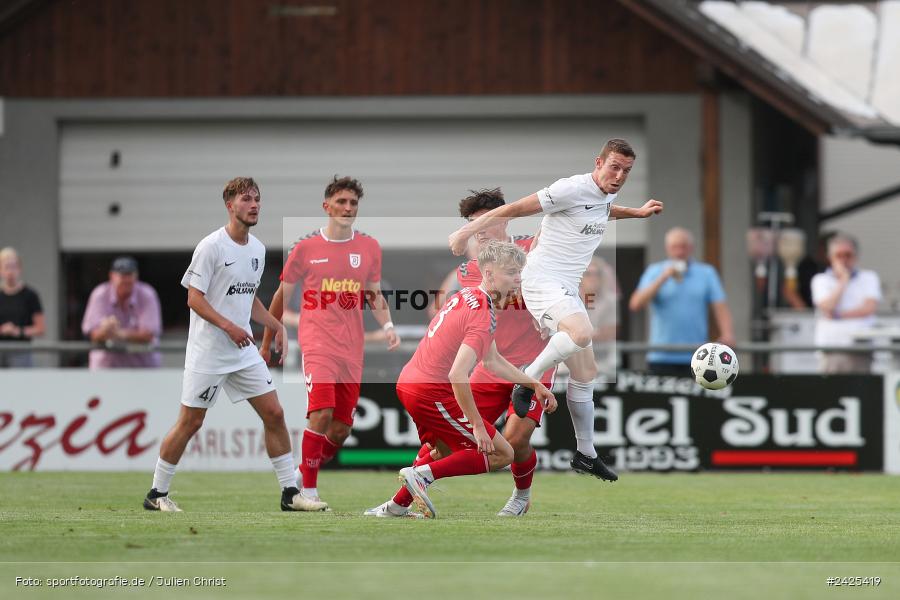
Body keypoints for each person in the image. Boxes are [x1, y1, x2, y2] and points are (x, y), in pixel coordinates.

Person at [449, 138, 662, 480]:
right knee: (580, 332)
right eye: (614, 167)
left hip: (565, 285)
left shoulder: (606, 193)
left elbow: (603, 210)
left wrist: (636, 213)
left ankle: (586, 453)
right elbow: (518, 208)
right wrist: (466, 232)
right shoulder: (570, 189)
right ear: (598, 162)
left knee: (585, 373)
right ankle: (527, 380)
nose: (620, 175)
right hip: (542, 279)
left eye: (626, 170)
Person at [366, 188, 556, 518]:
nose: (477, 228)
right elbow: (477, 328)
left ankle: (521, 497)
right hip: (487, 363)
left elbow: (570, 225)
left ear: (506, 217)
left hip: (532, 361)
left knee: (515, 437)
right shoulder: (472, 270)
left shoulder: (532, 250)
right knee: (459, 443)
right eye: (471, 222)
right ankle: (401, 501)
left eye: (485, 220)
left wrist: (551, 314)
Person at [142, 177, 312, 513]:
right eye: (247, 199)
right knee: (191, 422)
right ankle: (156, 494)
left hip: (242, 349)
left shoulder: (257, 249)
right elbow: (194, 298)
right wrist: (229, 326)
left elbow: (247, 299)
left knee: (275, 414)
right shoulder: (211, 247)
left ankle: (289, 493)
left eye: (258, 199)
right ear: (229, 204)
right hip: (209, 352)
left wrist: (275, 323)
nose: (254, 205)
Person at [260, 175, 400, 510]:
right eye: (341, 202)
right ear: (326, 206)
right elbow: (282, 295)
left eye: (353, 203)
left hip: (352, 348)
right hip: (317, 341)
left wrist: (389, 324)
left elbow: (374, 294)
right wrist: (268, 339)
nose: (347, 208)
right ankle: (307, 492)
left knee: (339, 430)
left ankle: (296, 477)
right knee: (320, 413)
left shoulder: (369, 247)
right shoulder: (305, 248)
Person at [628, 227, 735, 376]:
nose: (679, 252)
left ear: (691, 248)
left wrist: (727, 333)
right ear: (667, 249)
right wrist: (662, 278)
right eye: (674, 247)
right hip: (661, 356)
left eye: (683, 246)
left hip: (698, 356)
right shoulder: (654, 271)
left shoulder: (706, 273)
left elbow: (720, 306)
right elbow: (636, 304)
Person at [811, 234, 882, 373]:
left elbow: (869, 308)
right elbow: (826, 306)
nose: (843, 260)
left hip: (861, 350)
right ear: (830, 257)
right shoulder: (820, 280)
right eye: (839, 255)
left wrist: (837, 315)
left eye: (848, 255)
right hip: (831, 350)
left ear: (856, 256)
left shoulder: (869, 277)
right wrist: (843, 280)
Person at [81, 256, 163, 369]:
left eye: (129, 275)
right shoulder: (99, 294)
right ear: (111, 276)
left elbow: (148, 334)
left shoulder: (147, 294)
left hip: (142, 369)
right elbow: (93, 335)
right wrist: (105, 330)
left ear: (136, 276)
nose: (126, 280)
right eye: (122, 275)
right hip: (106, 368)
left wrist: (119, 333)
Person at [0, 247, 45, 367]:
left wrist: (18, 331)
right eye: (6, 267)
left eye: (13, 267)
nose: (10, 272)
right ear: (1, 270)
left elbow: (40, 328)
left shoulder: (30, 295)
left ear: (19, 269)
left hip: (21, 352)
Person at [579, 255, 620, 378]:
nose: (593, 278)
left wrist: (578, 335)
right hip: (572, 360)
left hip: (603, 360)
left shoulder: (610, 301)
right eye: (588, 274)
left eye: (597, 274)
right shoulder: (569, 299)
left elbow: (609, 333)